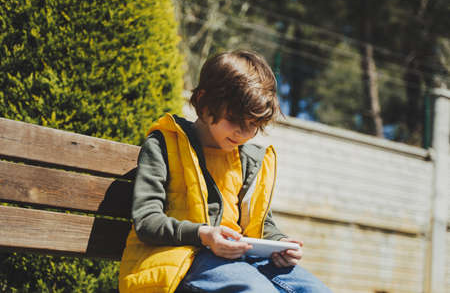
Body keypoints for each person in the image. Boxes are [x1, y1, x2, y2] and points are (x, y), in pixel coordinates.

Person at [119, 50, 332, 293]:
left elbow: (263, 224)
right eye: (234, 119)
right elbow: (147, 221)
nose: (243, 133)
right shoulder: (164, 144)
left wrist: (279, 244)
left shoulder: (248, 160)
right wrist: (204, 235)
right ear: (203, 101)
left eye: (253, 124)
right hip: (182, 258)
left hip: (241, 258)